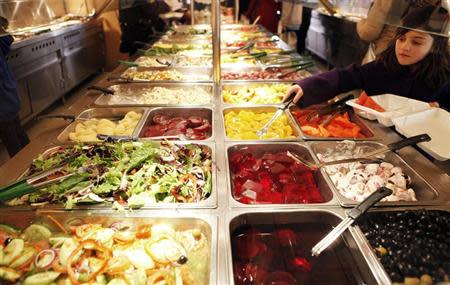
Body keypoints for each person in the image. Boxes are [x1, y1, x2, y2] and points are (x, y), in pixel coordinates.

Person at [283, 5, 450, 110]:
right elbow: (347, 76)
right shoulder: (385, 66)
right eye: (401, 39)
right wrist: (307, 86)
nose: (405, 47)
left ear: (435, 46)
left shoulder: (443, 78)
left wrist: (440, 109)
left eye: (417, 42)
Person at [357, 0, 441, 63]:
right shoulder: (440, 4)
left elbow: (368, 33)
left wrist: (361, 21)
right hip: (422, 64)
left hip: (383, 58)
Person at [0, 17, 30, 157]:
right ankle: (31, 159)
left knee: (10, 135)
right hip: (8, 92)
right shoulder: (3, 42)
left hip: (3, 97)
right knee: (16, 129)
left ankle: (23, 165)